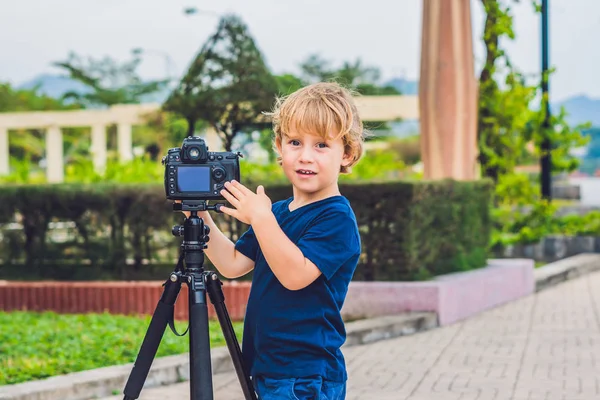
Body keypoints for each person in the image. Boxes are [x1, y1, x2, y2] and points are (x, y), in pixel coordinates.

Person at [184, 82, 365, 399]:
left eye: (321, 145)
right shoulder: (278, 213)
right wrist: (196, 215)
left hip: (306, 375)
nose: (305, 156)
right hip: (268, 367)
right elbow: (233, 263)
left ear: (347, 154)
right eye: (295, 142)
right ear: (280, 147)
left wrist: (261, 218)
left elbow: (295, 276)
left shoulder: (336, 218)